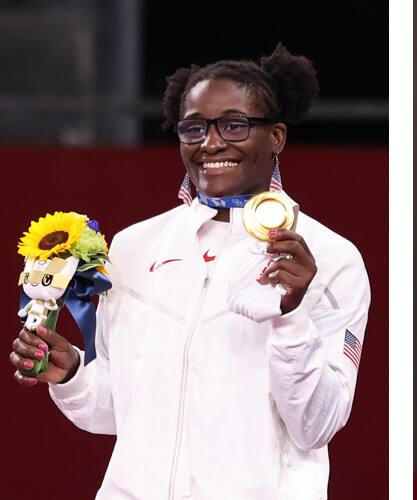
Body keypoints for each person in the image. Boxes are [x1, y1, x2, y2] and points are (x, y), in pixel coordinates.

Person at [9, 45, 370, 499]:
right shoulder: (134, 246)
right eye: (194, 128)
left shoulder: (332, 258)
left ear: (276, 136)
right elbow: (118, 411)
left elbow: (316, 426)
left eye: (234, 125)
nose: (211, 143)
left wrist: (290, 317)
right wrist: (71, 375)